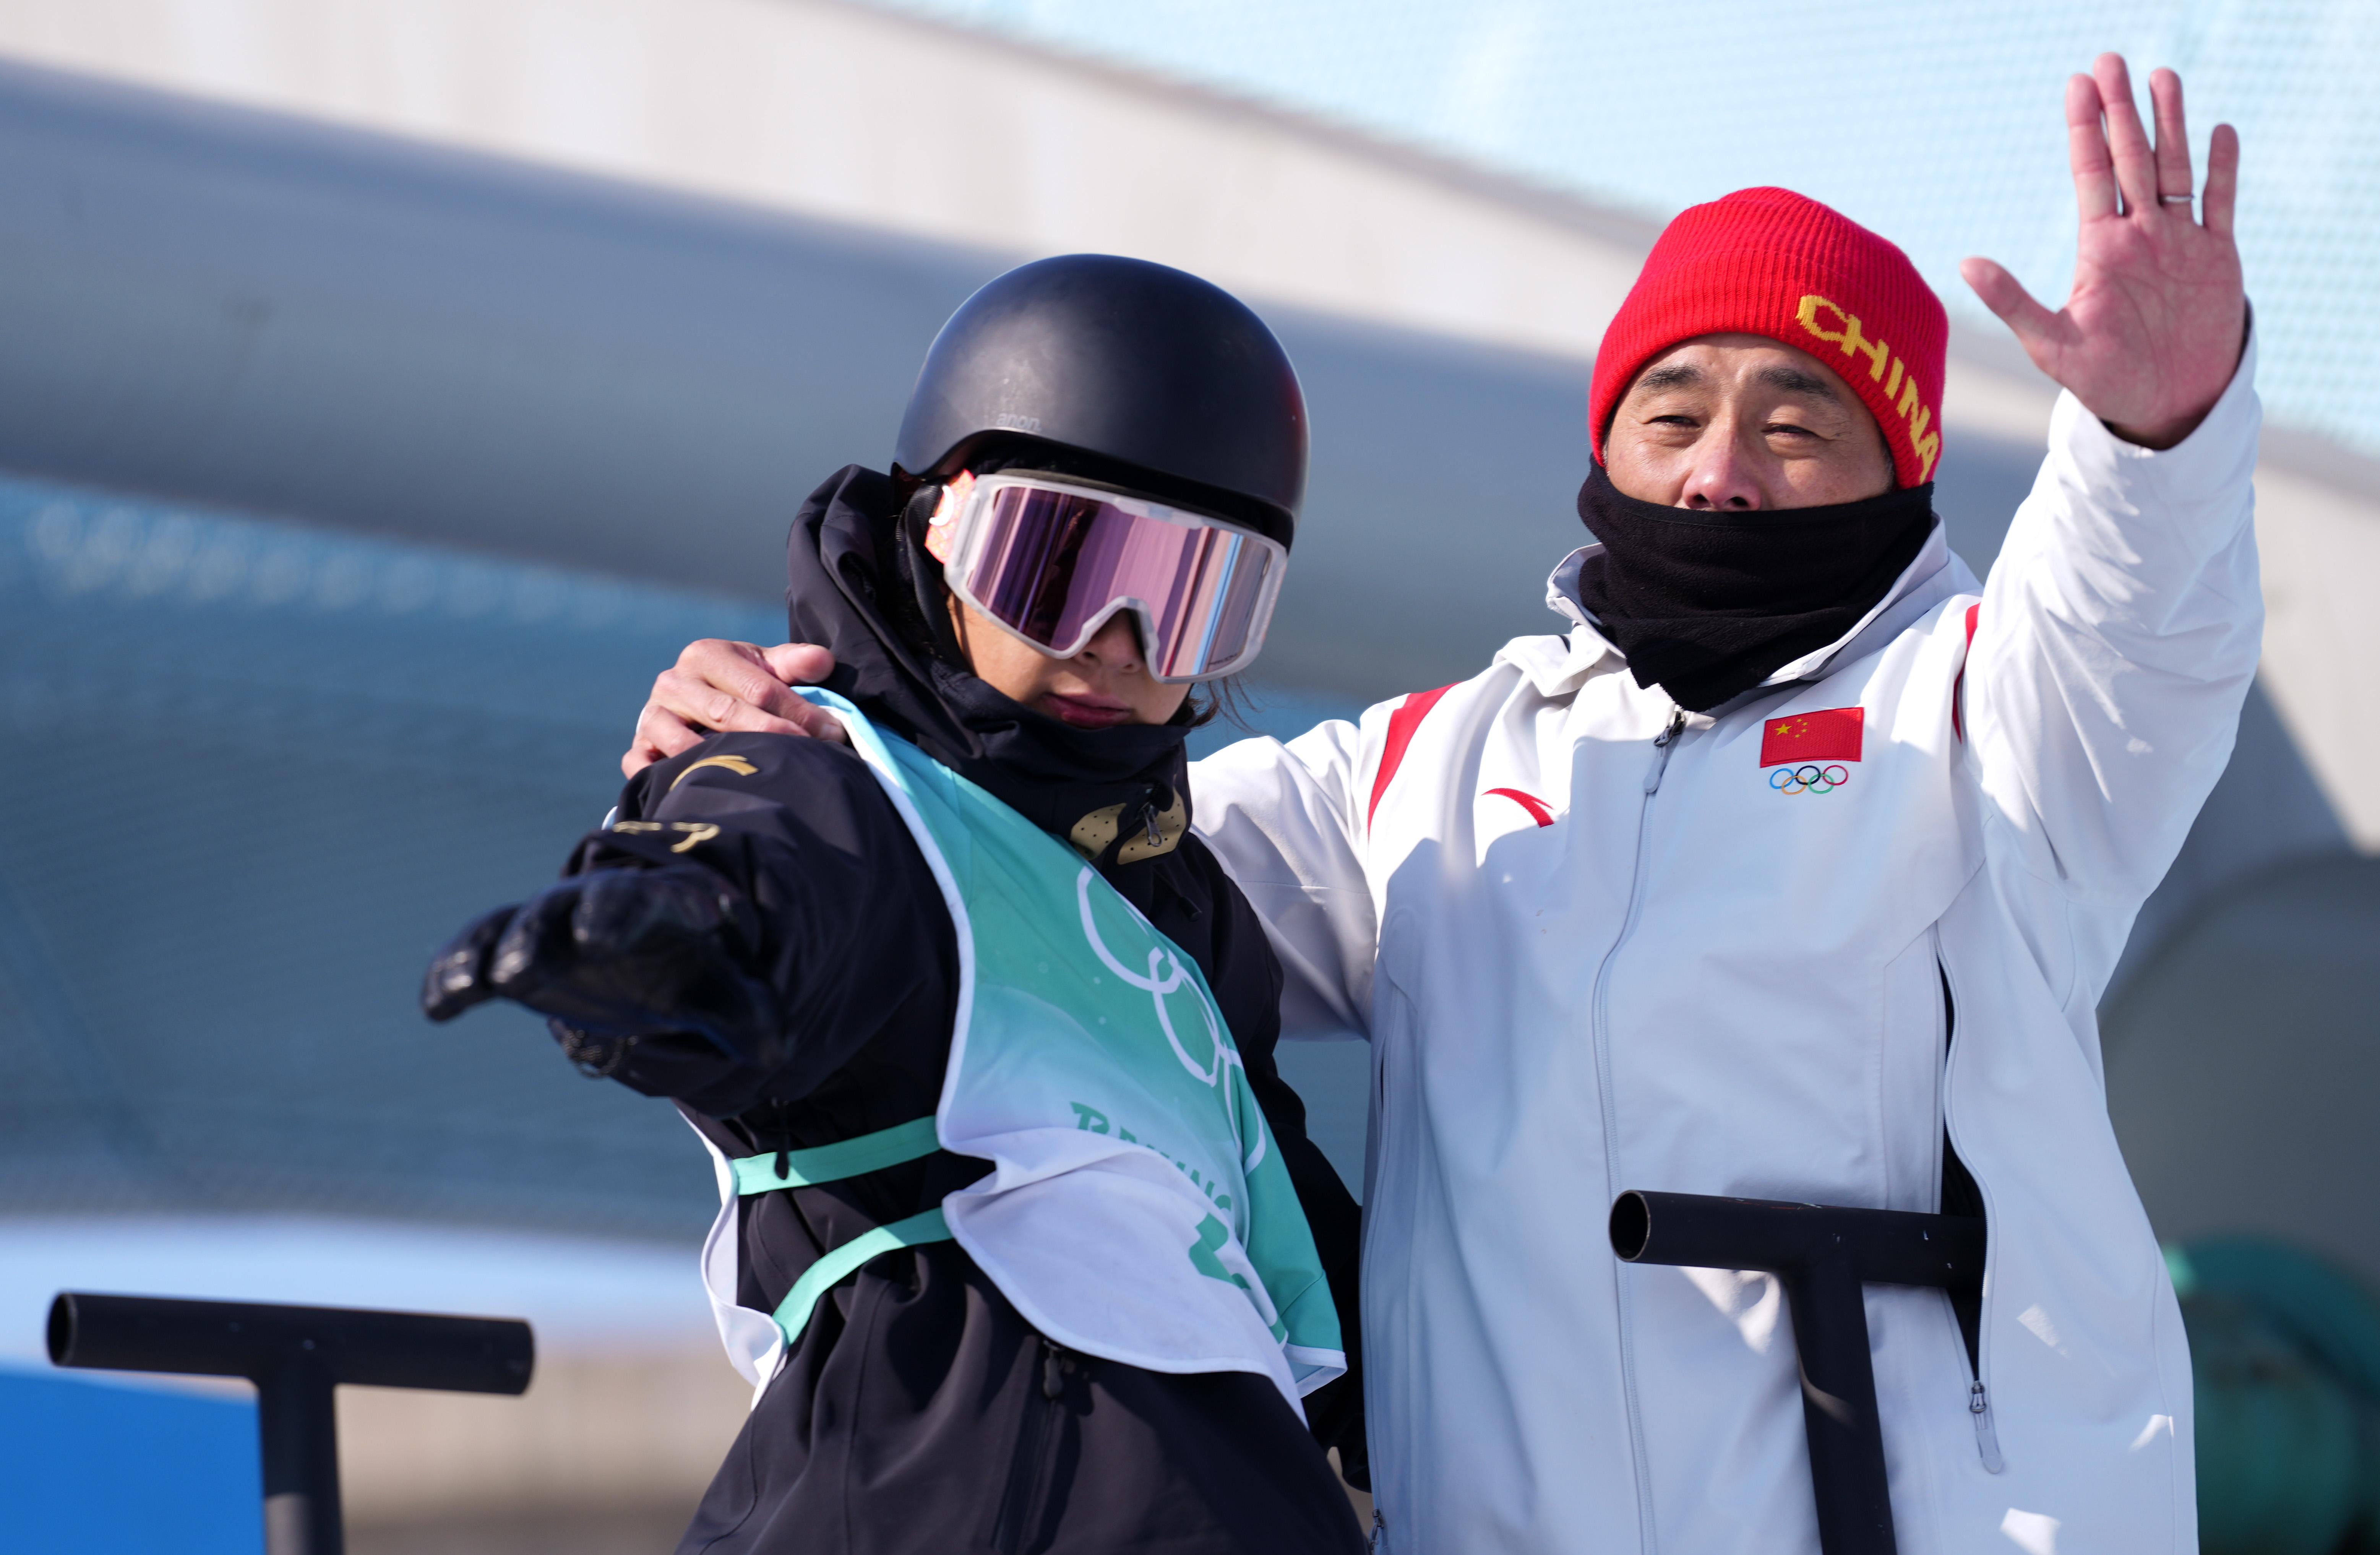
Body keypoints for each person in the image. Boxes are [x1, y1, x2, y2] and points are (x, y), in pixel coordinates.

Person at [625, 56, 2254, 1553]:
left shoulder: (1993, 721)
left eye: (1796, 423)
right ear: (1608, 446)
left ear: (1899, 465)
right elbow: (1053, 860)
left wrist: (2156, 442)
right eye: (1673, 415)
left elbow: (2139, 628)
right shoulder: (1445, 764)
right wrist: (777, 759)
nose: (1721, 469)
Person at [423, 254, 1368, 1555]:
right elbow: (774, 880)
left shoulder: (1186, 911)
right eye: (1060, 564)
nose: (1117, 642)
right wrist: (669, 945)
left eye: (1191, 599)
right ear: (941, 526)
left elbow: (1294, 1224)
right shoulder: (837, 775)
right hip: (951, 1498)